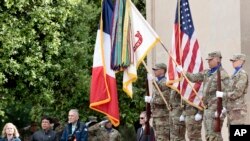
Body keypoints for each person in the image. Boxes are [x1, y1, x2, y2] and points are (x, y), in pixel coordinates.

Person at [177, 51, 230, 141]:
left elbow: (227, 93)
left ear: (217, 59)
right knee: (209, 136)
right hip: (207, 109)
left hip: (216, 110)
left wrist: (223, 109)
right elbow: (194, 78)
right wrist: (183, 72)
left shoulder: (223, 75)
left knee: (215, 136)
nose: (208, 62)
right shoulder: (207, 72)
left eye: (210, 60)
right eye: (208, 60)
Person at [145, 63, 171, 141]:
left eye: (156, 70)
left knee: (163, 139)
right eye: (154, 70)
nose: (154, 71)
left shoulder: (165, 82)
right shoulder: (157, 82)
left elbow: (164, 100)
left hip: (163, 117)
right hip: (157, 116)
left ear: (162, 70)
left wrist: (151, 100)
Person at [226, 53, 248, 125]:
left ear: (241, 61)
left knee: (239, 134)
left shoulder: (242, 74)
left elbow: (237, 93)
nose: (232, 63)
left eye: (234, 61)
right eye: (232, 61)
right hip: (232, 110)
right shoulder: (235, 74)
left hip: (238, 110)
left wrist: (224, 94)